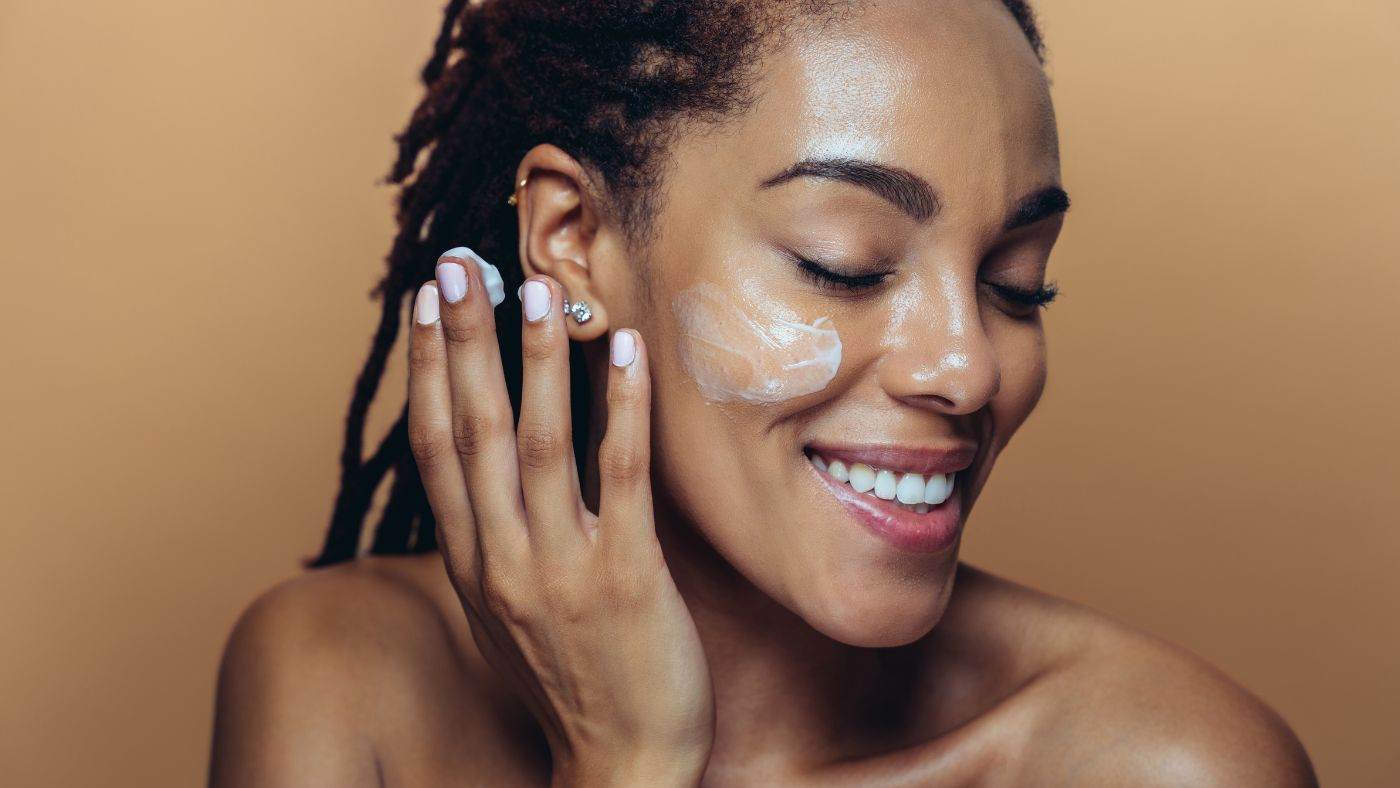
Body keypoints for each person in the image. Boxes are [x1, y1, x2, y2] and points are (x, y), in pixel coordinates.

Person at [209, 0, 1318, 784]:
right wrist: (627, 762)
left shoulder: (1161, 764)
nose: (967, 365)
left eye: (1014, 283)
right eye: (847, 262)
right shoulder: (345, 684)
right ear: (573, 239)